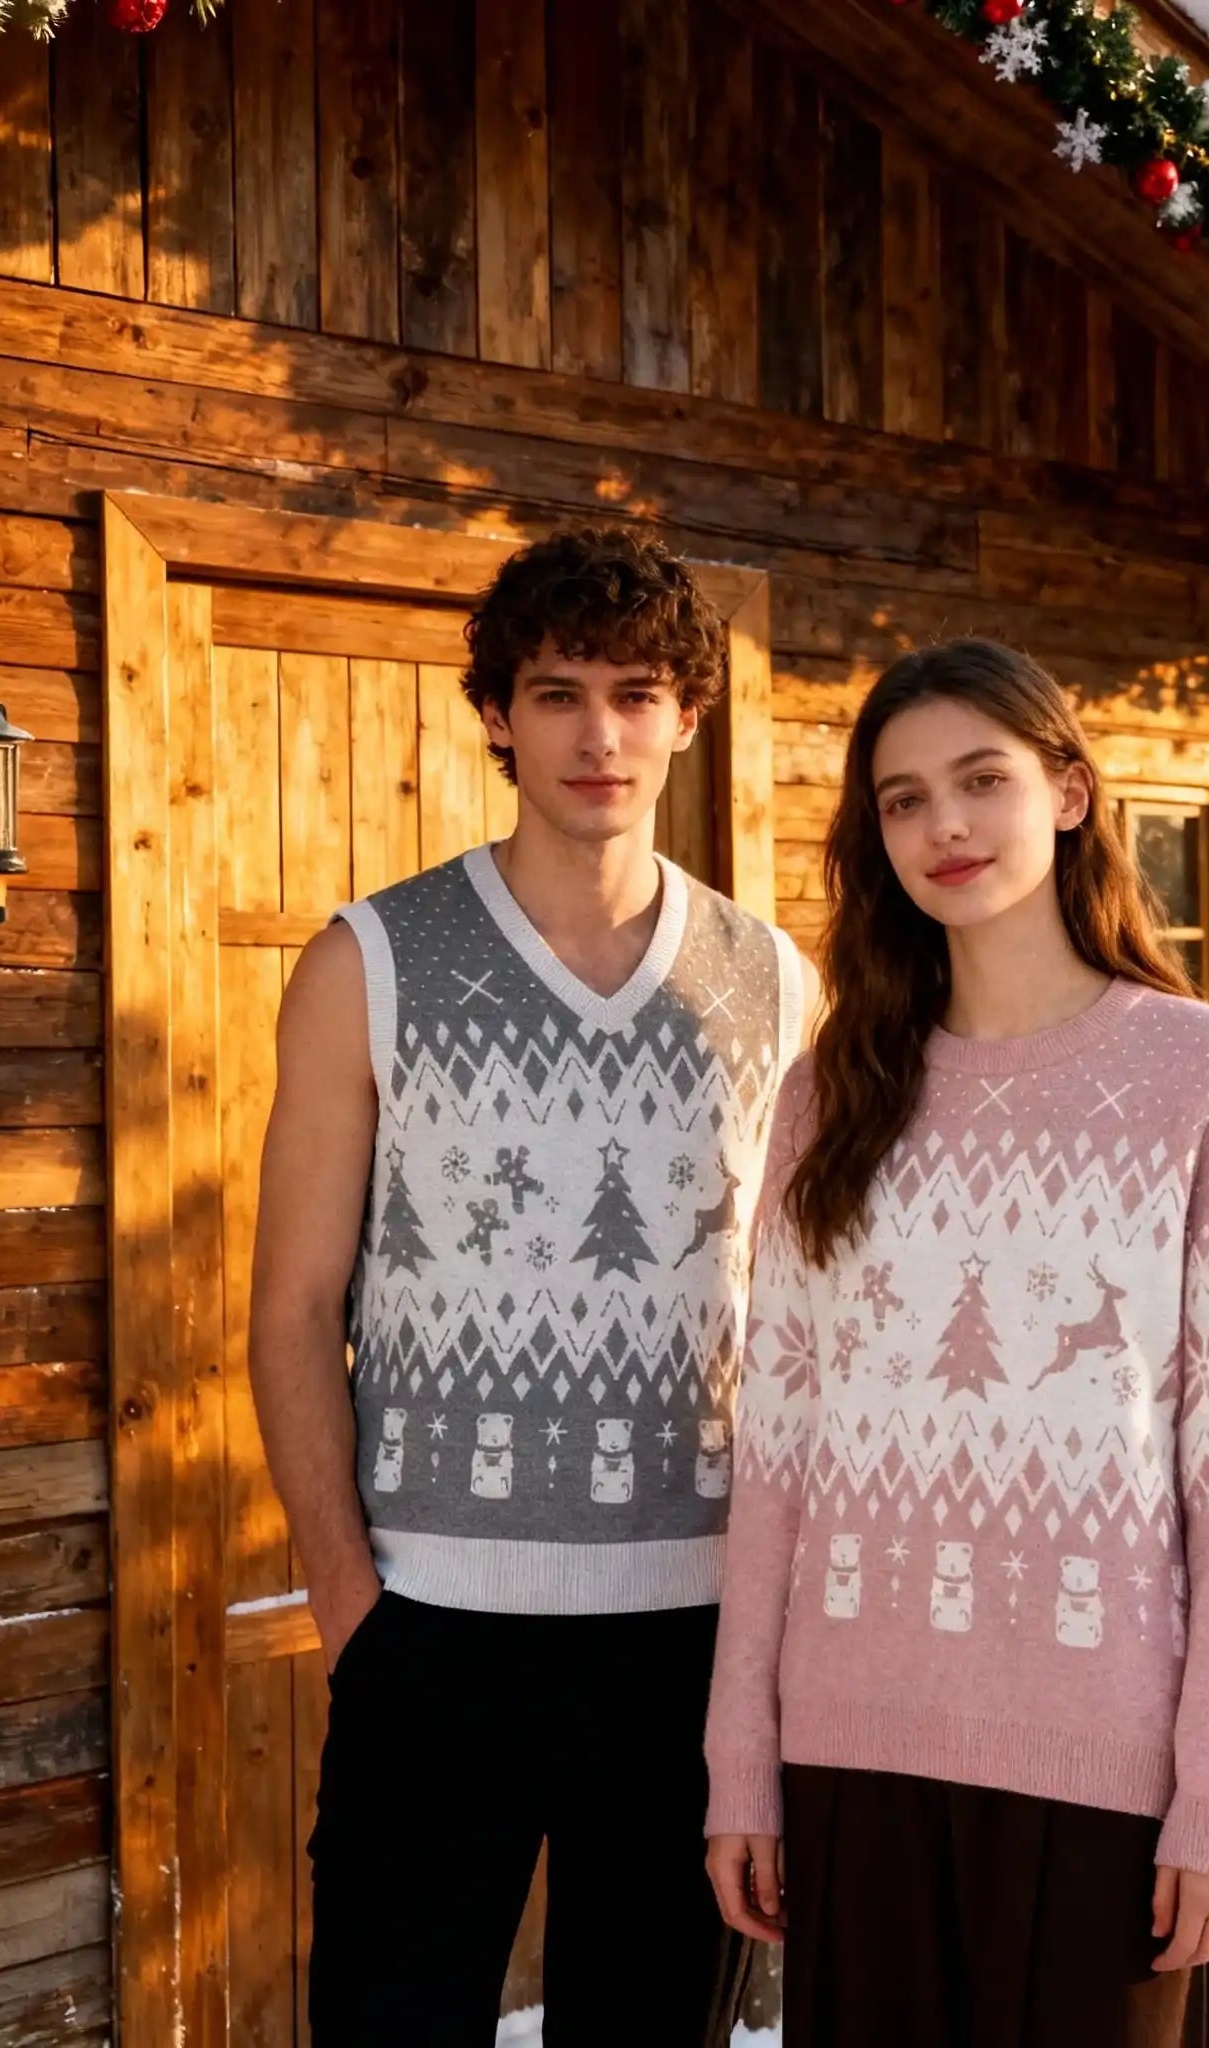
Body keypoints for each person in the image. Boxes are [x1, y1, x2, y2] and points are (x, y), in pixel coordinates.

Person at [704, 639, 1209, 2048]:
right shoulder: (831, 1093)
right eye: (904, 799)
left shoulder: (1202, 1075)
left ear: (1070, 794)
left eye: (983, 780)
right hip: (851, 1760)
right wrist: (742, 1764)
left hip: (1110, 1780)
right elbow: (777, 1460)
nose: (947, 826)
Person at [249, 526, 811, 2047]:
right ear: (499, 713)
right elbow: (294, 1305)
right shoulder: (371, 961)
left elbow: (800, 1319)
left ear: (686, 717)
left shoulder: (774, 980)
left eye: (636, 696)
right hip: (432, 1624)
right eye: (559, 694)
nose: (599, 735)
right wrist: (353, 1607)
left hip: (694, 1632)